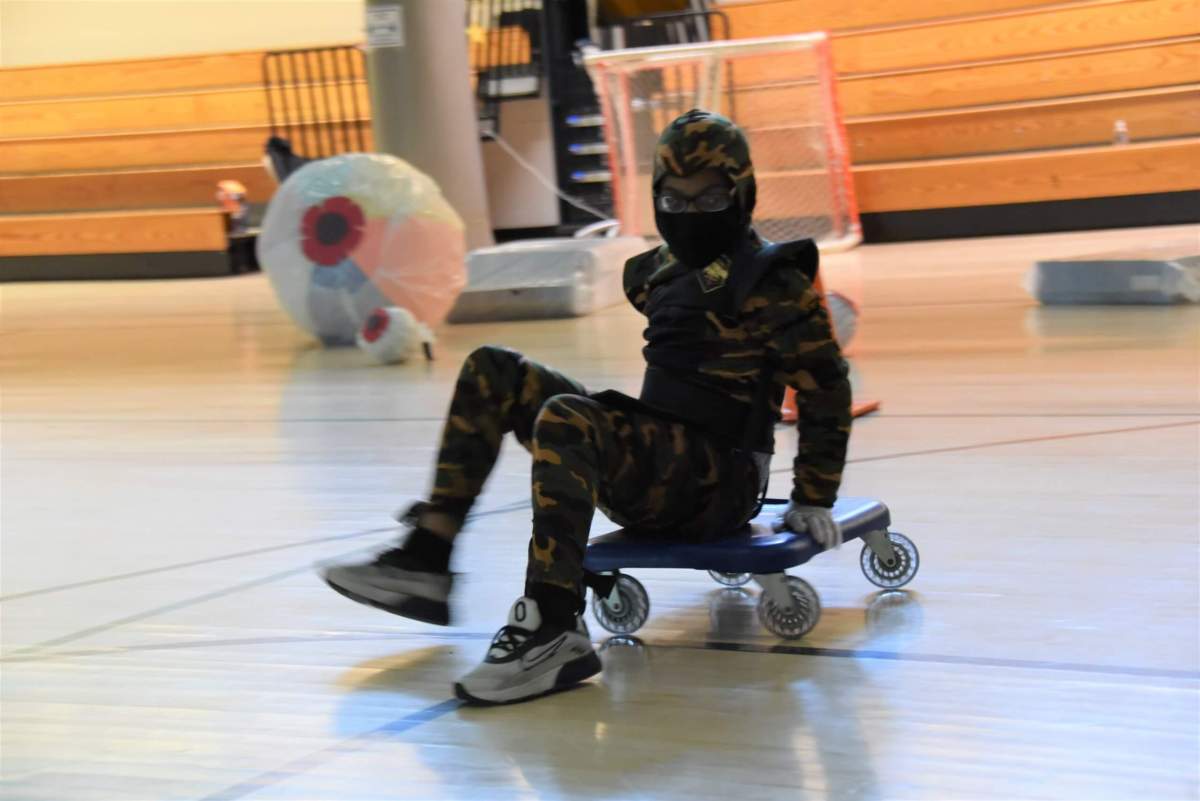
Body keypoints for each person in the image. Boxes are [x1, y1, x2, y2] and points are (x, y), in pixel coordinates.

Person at [323, 109, 852, 705]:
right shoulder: (657, 272)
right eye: (673, 200)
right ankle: (427, 557)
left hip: (720, 483)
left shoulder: (774, 284)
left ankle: (554, 627)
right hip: (657, 465)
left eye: (708, 198)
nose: (689, 214)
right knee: (493, 369)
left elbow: (826, 389)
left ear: (742, 193)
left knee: (569, 418)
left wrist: (814, 496)